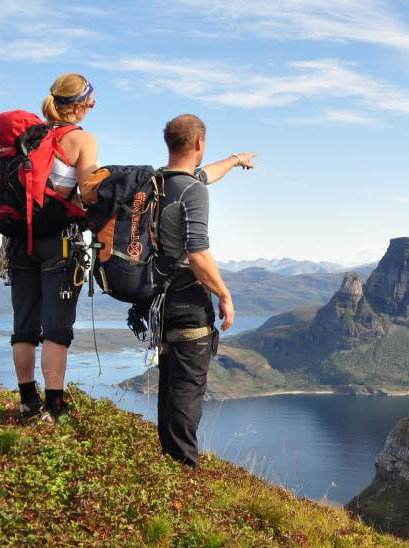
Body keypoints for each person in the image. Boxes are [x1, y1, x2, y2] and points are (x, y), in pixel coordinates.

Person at [155, 113, 257, 467]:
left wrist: (234, 160)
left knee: (169, 383)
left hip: (155, 301)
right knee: (186, 390)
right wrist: (224, 295)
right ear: (198, 143)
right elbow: (197, 252)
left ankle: (169, 466)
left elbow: (206, 172)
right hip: (186, 301)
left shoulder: (154, 184)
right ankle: (184, 473)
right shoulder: (192, 190)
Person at [10, 73, 100, 420]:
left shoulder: (28, 136)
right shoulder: (82, 139)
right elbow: (88, 192)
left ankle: (26, 401)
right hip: (58, 241)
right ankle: (55, 407)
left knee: (24, 325)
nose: (93, 105)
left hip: (19, 238)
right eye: (91, 99)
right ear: (79, 103)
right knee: (56, 328)